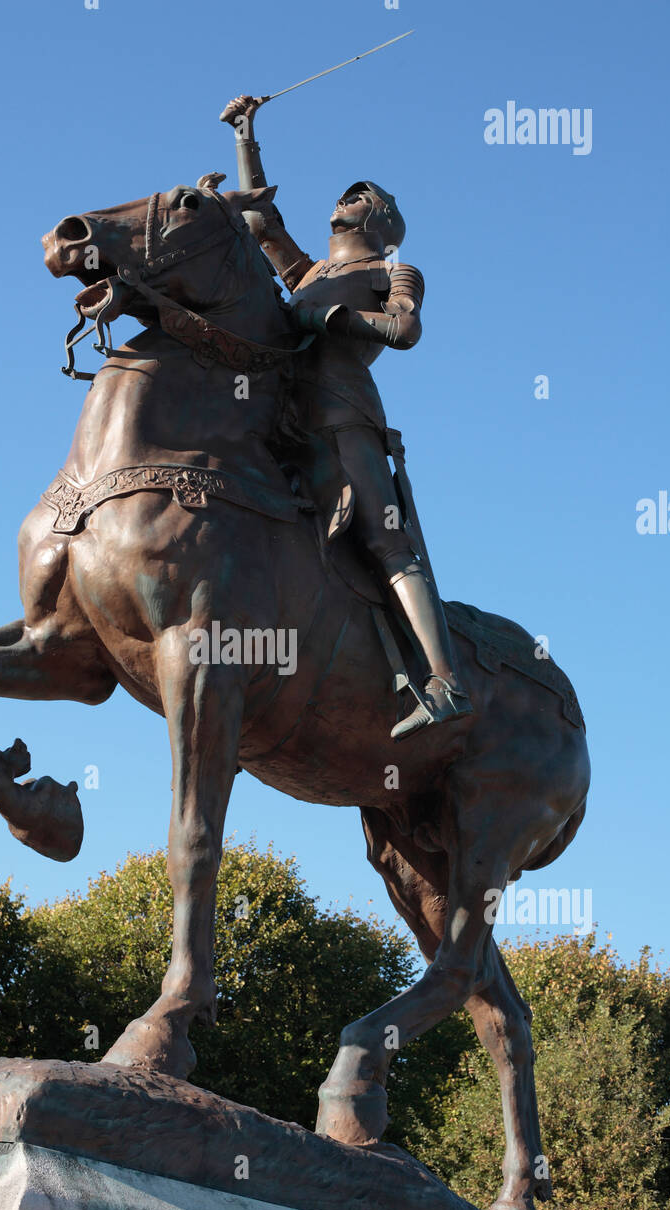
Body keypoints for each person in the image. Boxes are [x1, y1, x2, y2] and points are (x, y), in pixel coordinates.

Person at [220, 94, 472, 741]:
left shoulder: (394, 270)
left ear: (379, 217)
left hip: (342, 416)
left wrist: (334, 319)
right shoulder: (310, 273)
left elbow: (406, 330)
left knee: (385, 540)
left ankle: (446, 683)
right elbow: (262, 222)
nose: (345, 199)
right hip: (282, 417)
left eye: (359, 197)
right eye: (346, 194)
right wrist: (247, 138)